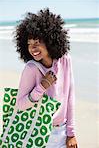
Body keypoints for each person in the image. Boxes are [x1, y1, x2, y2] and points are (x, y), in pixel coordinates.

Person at [15, 8, 78, 148]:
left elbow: (70, 97)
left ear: (50, 40)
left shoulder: (65, 60)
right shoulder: (31, 69)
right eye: (29, 44)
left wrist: (71, 133)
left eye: (37, 42)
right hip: (38, 133)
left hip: (62, 131)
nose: (33, 48)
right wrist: (41, 87)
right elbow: (20, 104)